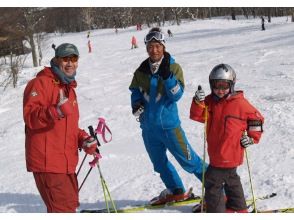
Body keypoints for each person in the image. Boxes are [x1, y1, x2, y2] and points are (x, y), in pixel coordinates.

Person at [129, 27, 205, 205]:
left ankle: (217, 189)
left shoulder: (173, 67)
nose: (154, 50)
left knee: (190, 161)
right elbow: (134, 90)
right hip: (148, 128)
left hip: (169, 127)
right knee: (159, 164)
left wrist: (167, 76)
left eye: (157, 46)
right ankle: (176, 190)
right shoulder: (141, 70)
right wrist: (136, 103)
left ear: (163, 46)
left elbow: (177, 95)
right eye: (150, 46)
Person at [23, 43, 97, 212]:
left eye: (74, 58)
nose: (70, 63)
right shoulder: (40, 83)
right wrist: (55, 110)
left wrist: (84, 139)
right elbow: (30, 117)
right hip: (48, 162)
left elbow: (68, 127)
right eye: (65, 59)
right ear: (57, 60)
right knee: (63, 210)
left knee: (68, 206)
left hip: (65, 163)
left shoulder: (68, 89)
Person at [190, 63, 264, 213]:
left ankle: (216, 210)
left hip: (229, 152)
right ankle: (238, 207)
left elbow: (256, 119)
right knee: (231, 179)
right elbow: (198, 116)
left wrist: (252, 138)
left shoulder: (240, 104)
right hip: (217, 153)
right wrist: (198, 102)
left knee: (212, 181)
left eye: (224, 86)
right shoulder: (210, 101)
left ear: (232, 84)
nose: (220, 90)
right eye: (216, 86)